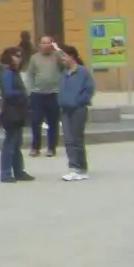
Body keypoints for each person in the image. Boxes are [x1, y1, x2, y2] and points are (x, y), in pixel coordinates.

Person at [0, 46, 35, 183]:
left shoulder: (13, 72)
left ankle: (18, 171)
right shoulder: (7, 73)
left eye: (20, 56)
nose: (18, 59)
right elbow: (8, 93)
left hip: (17, 111)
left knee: (17, 143)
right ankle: (6, 172)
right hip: (11, 112)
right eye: (16, 56)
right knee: (10, 143)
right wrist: (24, 95)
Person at [57, 44, 94, 181]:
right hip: (65, 109)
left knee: (77, 139)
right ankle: (73, 166)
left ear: (71, 56)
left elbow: (89, 90)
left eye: (64, 57)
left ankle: (81, 168)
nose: (62, 60)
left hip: (78, 109)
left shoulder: (83, 72)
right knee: (68, 139)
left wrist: (79, 101)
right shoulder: (64, 73)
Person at [25, 35, 64, 158]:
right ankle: (35, 147)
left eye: (49, 43)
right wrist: (29, 91)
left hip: (54, 93)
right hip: (38, 94)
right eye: (44, 43)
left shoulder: (56, 56)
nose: (46, 45)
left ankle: (51, 148)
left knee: (53, 122)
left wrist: (57, 49)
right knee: (36, 121)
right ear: (39, 45)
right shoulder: (34, 58)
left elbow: (66, 61)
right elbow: (30, 75)